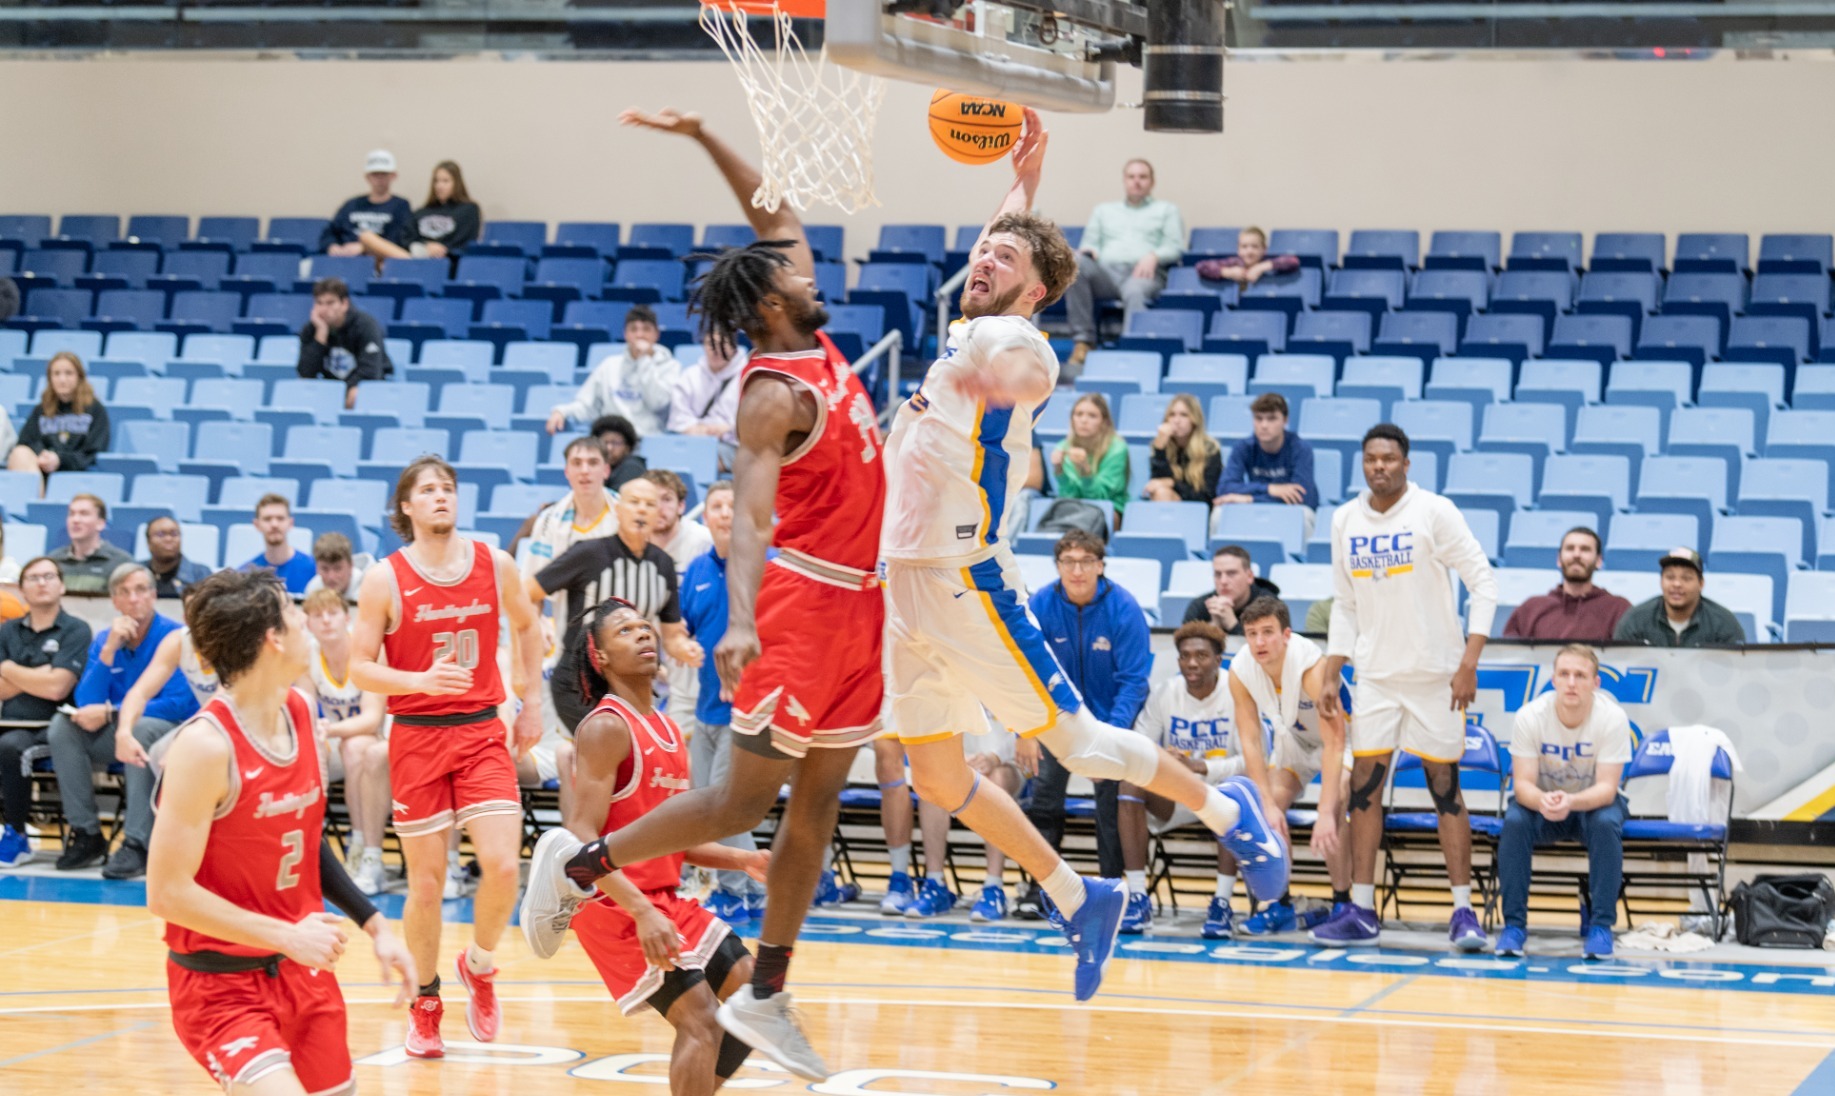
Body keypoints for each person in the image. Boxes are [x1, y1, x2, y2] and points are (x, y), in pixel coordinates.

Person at [875, 108, 1286, 1004]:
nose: (981, 261)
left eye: (1002, 264)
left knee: (1077, 742)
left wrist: (1013, 368)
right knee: (938, 776)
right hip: (900, 593)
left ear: (1030, 296)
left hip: (962, 580)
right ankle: (1076, 893)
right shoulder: (970, 314)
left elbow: (1031, 369)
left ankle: (1230, 811)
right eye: (982, 256)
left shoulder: (1009, 339)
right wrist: (1025, 184)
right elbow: (996, 248)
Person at [522, 106, 887, 1084]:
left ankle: (767, 989)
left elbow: (773, 209)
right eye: (797, 274)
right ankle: (582, 865)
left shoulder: (804, 327)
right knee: (738, 801)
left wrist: (698, 136)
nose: (811, 272)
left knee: (816, 808)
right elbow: (755, 519)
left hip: (865, 605)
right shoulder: (771, 390)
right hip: (805, 603)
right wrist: (746, 622)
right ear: (769, 304)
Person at [146, 569, 414, 1096]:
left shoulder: (301, 710)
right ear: (273, 638)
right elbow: (166, 892)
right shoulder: (206, 747)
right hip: (219, 983)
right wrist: (286, 934)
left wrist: (376, 925)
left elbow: (303, 839)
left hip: (301, 973)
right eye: (295, 614)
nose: (306, 625)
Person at [350, 455, 544, 1059]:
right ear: (405, 507)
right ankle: (426, 1000)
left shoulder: (495, 563)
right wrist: (419, 681)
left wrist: (530, 698)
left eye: (448, 489)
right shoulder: (385, 577)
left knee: (504, 867)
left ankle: (480, 967)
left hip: (483, 730)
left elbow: (528, 626)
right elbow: (359, 666)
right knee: (428, 885)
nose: (441, 497)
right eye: (427, 490)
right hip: (416, 735)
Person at [561, 598, 769, 1096]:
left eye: (644, 626)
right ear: (600, 656)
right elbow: (578, 844)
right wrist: (640, 912)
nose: (643, 634)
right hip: (615, 904)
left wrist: (746, 859)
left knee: (754, 992)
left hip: (664, 897)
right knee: (700, 1021)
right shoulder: (606, 727)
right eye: (625, 631)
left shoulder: (668, 727)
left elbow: (676, 837)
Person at [1314, 423, 1498, 950]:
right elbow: (1345, 602)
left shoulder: (1434, 511)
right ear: (1363, 463)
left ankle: (1463, 912)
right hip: (1374, 676)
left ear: (1406, 464)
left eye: (1390, 458)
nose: (1380, 467)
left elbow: (1482, 581)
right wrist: (1333, 669)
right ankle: (1363, 910)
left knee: (1445, 789)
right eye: (1371, 458)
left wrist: (1469, 661)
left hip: (1436, 676)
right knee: (1365, 792)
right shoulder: (1344, 519)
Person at [1019, 529, 1151, 912]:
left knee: (1109, 806)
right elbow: (1025, 671)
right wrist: (1024, 729)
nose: (1077, 570)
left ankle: (1112, 889)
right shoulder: (1041, 604)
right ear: (1058, 566)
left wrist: (1109, 737)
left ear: (1101, 565)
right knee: (1044, 800)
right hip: (1055, 720)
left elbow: (1133, 682)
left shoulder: (1124, 608)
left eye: (1086, 561)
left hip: (1109, 721)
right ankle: (1039, 889)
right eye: (1069, 562)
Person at [1118, 620, 1273, 937]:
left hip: (1223, 795)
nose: (1191, 663)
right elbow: (1138, 746)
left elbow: (1257, 761)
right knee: (1129, 782)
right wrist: (1165, 762)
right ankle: (1137, 897)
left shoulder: (1239, 693)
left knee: (1234, 795)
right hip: (1178, 794)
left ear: (1219, 659)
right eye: (1185, 656)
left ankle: (1222, 903)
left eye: (1201, 656)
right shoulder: (1166, 693)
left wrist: (1200, 767)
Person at [46, 562, 198, 873]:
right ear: (115, 601)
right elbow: (86, 702)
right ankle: (87, 834)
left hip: (169, 732)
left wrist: (114, 714)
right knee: (62, 727)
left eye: (141, 590)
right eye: (124, 593)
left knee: (139, 731)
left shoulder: (175, 636)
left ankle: (137, 843)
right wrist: (107, 653)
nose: (134, 599)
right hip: (117, 727)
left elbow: (178, 705)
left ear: (153, 595)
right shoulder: (105, 639)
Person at [527, 476, 701, 738]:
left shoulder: (664, 565)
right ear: (618, 511)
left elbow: (672, 634)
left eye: (649, 504)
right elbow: (529, 591)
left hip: (632, 685)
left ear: (657, 515)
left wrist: (686, 650)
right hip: (580, 683)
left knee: (627, 764)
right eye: (634, 502)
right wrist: (534, 626)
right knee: (608, 753)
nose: (641, 509)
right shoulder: (588, 553)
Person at [1494, 643, 1631, 962]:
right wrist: (1545, 800)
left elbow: (1607, 789)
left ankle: (1601, 927)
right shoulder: (1530, 716)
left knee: (1606, 821)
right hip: (1543, 804)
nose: (1572, 682)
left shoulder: (1612, 718)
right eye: (1564, 674)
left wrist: (1569, 800)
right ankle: (1514, 926)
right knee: (1514, 822)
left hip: (1591, 804)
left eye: (1580, 675)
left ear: (1596, 683)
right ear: (1553, 679)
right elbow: (1523, 784)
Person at [1230, 597, 1353, 936]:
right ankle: (1280, 906)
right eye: (1252, 633)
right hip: (1294, 741)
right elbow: (1251, 741)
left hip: (1344, 741)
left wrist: (1326, 811)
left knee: (1336, 802)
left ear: (1286, 635)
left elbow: (1335, 742)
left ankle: (1343, 902)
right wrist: (1268, 805)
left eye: (1267, 632)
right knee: (1261, 810)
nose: (1259, 642)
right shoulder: (1240, 670)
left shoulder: (1311, 666)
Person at [676, 481, 766, 925]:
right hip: (706, 707)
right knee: (705, 804)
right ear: (706, 516)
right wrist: (681, 647)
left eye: (734, 504)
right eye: (717, 506)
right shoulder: (696, 569)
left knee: (723, 807)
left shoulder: (765, 567)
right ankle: (749, 888)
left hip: (749, 710)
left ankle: (743, 889)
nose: (726, 513)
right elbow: (681, 630)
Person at [518, 435, 619, 728]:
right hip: (571, 644)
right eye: (577, 463)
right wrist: (537, 624)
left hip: (620, 644)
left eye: (592, 463)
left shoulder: (625, 513)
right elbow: (529, 590)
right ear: (566, 472)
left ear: (606, 470)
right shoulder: (549, 521)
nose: (584, 470)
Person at [0, 557, 90, 868]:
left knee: (11, 748)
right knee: (8, 740)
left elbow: (57, 689)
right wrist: (41, 673)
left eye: (49, 576)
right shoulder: (7, 630)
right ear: (22, 589)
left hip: (52, 727)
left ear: (61, 585)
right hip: (7, 721)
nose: (41, 583)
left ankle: (16, 834)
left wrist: (9, 668)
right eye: (33, 578)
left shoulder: (76, 630)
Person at [300, 588, 390, 896]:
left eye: (332, 613)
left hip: (380, 741)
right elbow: (307, 711)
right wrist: (318, 732)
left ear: (347, 617)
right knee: (304, 753)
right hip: (337, 740)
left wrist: (328, 730)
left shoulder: (367, 651)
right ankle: (303, 852)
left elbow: (371, 719)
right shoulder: (307, 657)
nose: (326, 621)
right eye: (317, 615)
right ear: (307, 623)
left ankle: (361, 847)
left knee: (356, 747)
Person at [1062, 158, 1185, 370]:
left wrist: (1154, 255)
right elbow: (1089, 243)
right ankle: (1083, 342)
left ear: (1152, 182)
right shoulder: (1104, 210)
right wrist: (1089, 251)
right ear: (1124, 180)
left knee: (1135, 291)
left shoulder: (1166, 210)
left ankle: (1131, 353)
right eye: (1132, 177)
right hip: (1106, 274)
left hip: (1143, 274)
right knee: (1075, 264)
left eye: (1142, 177)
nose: (1137, 181)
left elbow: (1175, 247)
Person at [547, 305, 681, 438]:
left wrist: (644, 361)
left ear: (656, 334)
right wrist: (561, 411)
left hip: (647, 440)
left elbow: (658, 403)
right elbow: (587, 406)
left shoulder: (671, 367)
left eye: (646, 329)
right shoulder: (609, 365)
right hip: (609, 439)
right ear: (625, 334)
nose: (640, 335)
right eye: (634, 329)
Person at [1215, 393, 1319, 537]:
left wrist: (1250, 499)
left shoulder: (1301, 448)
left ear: (1285, 420)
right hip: (1254, 510)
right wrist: (1270, 489)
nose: (1264, 425)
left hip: (1288, 511)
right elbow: (1224, 488)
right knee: (1219, 514)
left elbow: (1303, 498)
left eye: (1271, 419)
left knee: (1305, 516)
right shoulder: (1243, 447)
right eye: (1259, 418)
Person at [1503, 526, 1633, 641]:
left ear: (1598, 561)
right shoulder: (1530, 608)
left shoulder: (1618, 609)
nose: (1576, 555)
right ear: (1559, 559)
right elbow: (1509, 658)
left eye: (1585, 549)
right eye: (1570, 548)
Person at [1611, 547, 1745, 647]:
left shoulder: (1723, 623)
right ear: (1661, 581)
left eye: (1686, 578)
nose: (1677, 584)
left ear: (1701, 584)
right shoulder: (1635, 619)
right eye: (1670, 577)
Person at [8, 351, 110, 480]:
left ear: (79, 376)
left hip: (78, 474)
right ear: (50, 378)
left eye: (68, 373)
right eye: (56, 374)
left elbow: (93, 451)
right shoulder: (41, 410)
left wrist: (59, 460)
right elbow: (26, 442)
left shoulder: (95, 409)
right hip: (40, 472)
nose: (62, 380)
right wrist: (44, 456)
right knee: (19, 453)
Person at [297, 276, 392, 411]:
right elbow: (305, 374)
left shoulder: (366, 325)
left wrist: (341, 392)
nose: (324, 309)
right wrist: (320, 337)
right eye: (319, 303)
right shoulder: (312, 329)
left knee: (356, 395)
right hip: (330, 389)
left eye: (330, 303)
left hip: (364, 387)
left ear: (344, 304)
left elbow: (370, 372)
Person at [360, 160, 482, 262]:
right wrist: (426, 246)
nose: (439, 186)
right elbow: (405, 238)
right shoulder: (422, 212)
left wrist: (441, 249)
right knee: (366, 236)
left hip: (445, 261)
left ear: (457, 183)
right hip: (417, 254)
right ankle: (410, 263)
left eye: (445, 181)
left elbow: (465, 242)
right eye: (436, 181)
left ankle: (409, 264)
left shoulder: (468, 209)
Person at [320, 149, 415, 257]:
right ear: (367, 177)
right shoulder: (351, 205)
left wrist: (364, 247)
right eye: (375, 174)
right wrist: (332, 246)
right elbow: (330, 232)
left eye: (384, 174)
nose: (379, 179)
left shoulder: (400, 206)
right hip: (345, 259)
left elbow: (399, 241)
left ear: (393, 176)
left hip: (380, 261)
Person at [1050, 393, 1130, 518]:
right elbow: (1068, 497)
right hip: (1073, 509)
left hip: (1108, 510)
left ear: (1105, 421)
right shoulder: (1063, 447)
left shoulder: (1117, 448)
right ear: (1072, 419)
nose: (1084, 420)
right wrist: (1059, 472)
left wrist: (1086, 471)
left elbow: (1101, 498)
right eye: (1079, 414)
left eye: (1092, 416)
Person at [669, 335, 745, 456]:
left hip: (732, 445)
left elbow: (752, 423)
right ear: (703, 346)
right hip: (693, 440)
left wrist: (727, 429)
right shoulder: (689, 375)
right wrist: (700, 430)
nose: (716, 349)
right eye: (711, 343)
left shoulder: (746, 376)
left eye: (722, 343)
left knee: (702, 457)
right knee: (667, 453)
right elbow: (678, 417)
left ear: (733, 347)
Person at [1181, 544, 1282, 635]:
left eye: (1231, 573)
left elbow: (1273, 648)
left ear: (1249, 576)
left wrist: (1232, 625)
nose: (1223, 581)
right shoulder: (1200, 606)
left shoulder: (1270, 606)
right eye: (1218, 574)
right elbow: (1186, 650)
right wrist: (1213, 627)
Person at [47, 493, 133, 596]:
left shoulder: (121, 562)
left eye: (84, 514)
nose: (75, 520)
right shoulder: (53, 561)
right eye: (71, 514)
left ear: (100, 524)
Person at [1143, 394, 1222, 504]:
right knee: (1160, 492)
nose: (1176, 420)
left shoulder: (1210, 450)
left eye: (1184, 415)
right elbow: (1157, 483)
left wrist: (1172, 483)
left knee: (1162, 492)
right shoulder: (1161, 445)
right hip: (1167, 502)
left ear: (1194, 420)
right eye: (1172, 415)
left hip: (1198, 509)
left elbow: (1206, 496)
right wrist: (1159, 451)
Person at [240, 494, 316, 595]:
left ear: (290, 523)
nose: (274, 524)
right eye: (267, 519)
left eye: (280, 518)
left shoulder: (314, 568)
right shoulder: (246, 573)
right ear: (257, 525)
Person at [1195, 226, 1301, 286]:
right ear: (1238, 249)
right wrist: (1227, 272)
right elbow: (1201, 267)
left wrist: (1261, 267)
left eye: (1255, 247)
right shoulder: (1234, 263)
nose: (1249, 251)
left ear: (1264, 249)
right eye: (1244, 247)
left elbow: (1293, 261)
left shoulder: (1267, 261)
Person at [141, 516, 212, 598]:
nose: (168, 539)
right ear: (148, 542)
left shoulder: (201, 574)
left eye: (174, 534)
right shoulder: (135, 572)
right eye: (160, 534)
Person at [302, 530, 371, 604]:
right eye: (325, 569)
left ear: (350, 566)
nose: (331, 577)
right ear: (317, 568)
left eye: (337, 569)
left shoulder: (369, 590)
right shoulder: (312, 590)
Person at [595, 414, 651, 492]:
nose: (609, 448)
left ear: (627, 448)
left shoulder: (632, 467)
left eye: (615, 443)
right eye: (605, 442)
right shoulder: (596, 466)